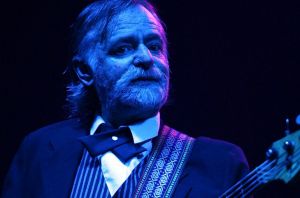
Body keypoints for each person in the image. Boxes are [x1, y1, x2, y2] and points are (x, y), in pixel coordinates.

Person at [2, 0, 249, 197]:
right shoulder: (39, 150)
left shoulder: (220, 164)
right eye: (122, 49)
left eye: (154, 46)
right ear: (85, 72)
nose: (146, 58)